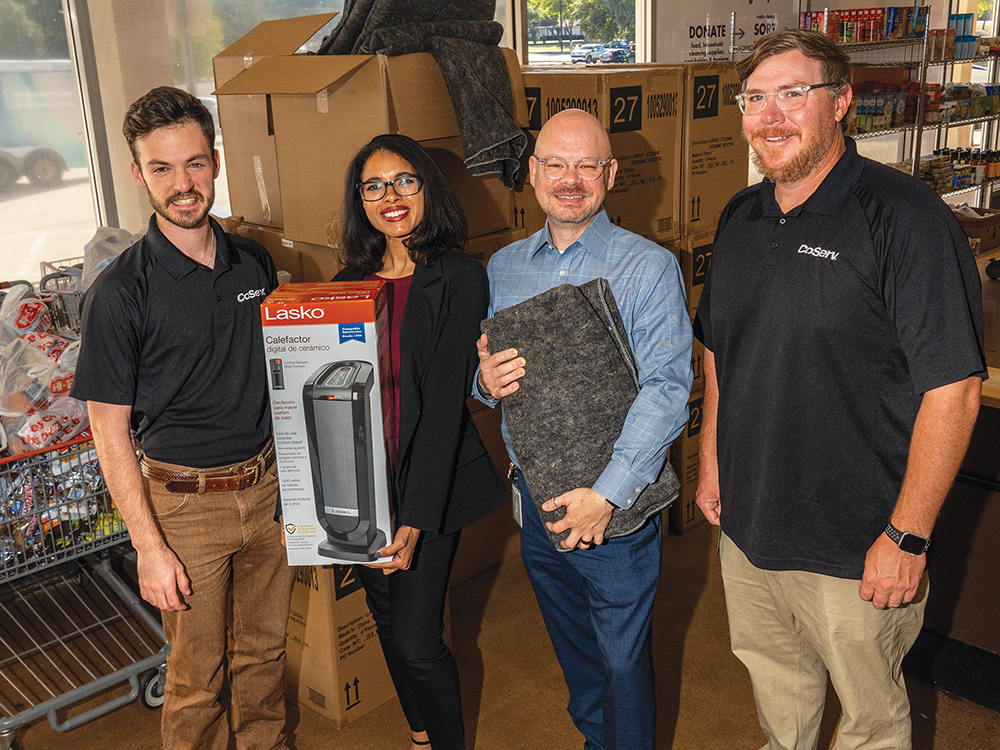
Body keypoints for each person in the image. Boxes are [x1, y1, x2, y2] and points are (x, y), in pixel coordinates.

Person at [694, 29, 986, 750]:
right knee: (778, 701)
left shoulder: (907, 219)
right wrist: (710, 462)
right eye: (755, 98)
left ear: (842, 103)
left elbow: (954, 390)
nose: (771, 115)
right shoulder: (741, 216)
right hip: (752, 527)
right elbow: (718, 353)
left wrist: (907, 534)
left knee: (869, 722)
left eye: (794, 94)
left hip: (857, 541)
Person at [71, 86, 295, 750]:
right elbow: (108, 429)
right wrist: (148, 546)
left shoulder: (252, 261)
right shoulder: (120, 294)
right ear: (138, 174)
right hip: (184, 507)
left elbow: (284, 381)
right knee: (198, 678)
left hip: (268, 488)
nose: (182, 183)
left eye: (194, 163)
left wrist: (301, 497)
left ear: (217, 162)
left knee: (264, 657)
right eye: (161, 168)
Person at [476, 109, 692, 750]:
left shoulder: (647, 267)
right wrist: (483, 383)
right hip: (537, 509)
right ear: (533, 173)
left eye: (587, 165)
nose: (570, 180)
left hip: (614, 518)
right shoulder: (506, 267)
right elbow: (486, 370)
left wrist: (608, 494)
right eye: (555, 164)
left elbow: (668, 390)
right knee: (579, 663)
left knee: (623, 667)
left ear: (611, 174)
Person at [333, 134, 507, 750]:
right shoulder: (347, 282)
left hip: (429, 483)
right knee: (382, 619)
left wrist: (415, 515)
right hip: (363, 483)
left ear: (428, 188)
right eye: (374, 185)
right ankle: (420, 736)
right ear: (361, 201)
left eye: (405, 180)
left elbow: (441, 406)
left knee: (416, 638)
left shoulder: (459, 277)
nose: (391, 196)